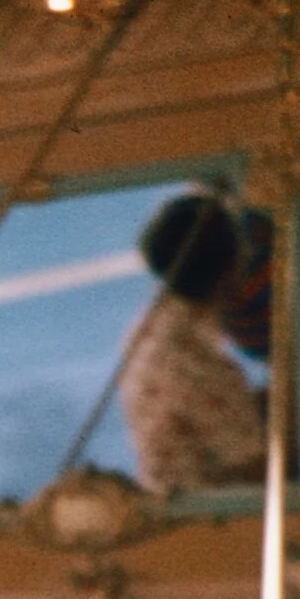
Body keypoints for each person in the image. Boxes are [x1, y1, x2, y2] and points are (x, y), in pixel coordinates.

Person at [119, 191, 268, 497]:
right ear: (230, 271)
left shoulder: (145, 333)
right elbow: (256, 471)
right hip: (215, 523)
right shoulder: (205, 367)